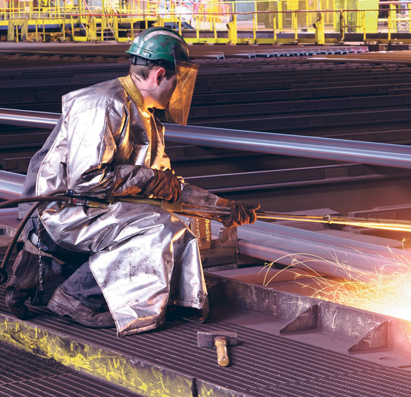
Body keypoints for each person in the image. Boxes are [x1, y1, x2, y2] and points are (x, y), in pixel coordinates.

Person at [4, 27, 259, 336]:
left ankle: (170, 299)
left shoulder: (145, 116)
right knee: (157, 229)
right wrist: (149, 179)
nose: (181, 88)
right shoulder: (103, 105)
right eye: (180, 79)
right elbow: (86, 179)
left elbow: (168, 187)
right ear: (160, 74)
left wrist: (220, 208)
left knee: (175, 226)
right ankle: (77, 298)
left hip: (98, 206)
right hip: (66, 209)